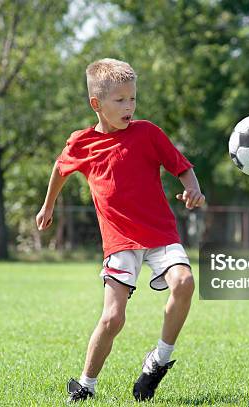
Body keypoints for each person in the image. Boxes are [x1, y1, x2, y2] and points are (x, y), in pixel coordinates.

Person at [35, 58, 205, 403]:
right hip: (120, 243)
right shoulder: (81, 143)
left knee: (185, 282)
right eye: (120, 100)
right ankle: (85, 384)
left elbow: (182, 167)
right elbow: (60, 168)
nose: (129, 106)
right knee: (112, 318)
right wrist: (48, 204)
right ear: (96, 104)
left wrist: (193, 188)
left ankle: (158, 361)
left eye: (133, 99)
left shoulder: (149, 133)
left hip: (160, 234)